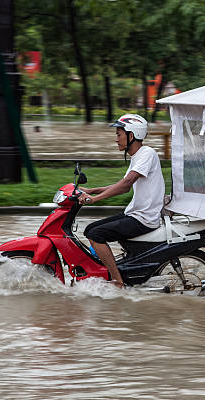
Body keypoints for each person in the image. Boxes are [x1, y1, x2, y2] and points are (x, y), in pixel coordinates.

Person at [78, 114, 165, 288]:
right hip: (135, 214)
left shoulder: (147, 154)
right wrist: (90, 190)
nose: (116, 139)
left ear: (131, 135)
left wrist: (94, 199)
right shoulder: (138, 157)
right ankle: (105, 269)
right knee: (90, 229)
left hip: (143, 219)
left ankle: (117, 281)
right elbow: (120, 184)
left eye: (119, 134)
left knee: (96, 235)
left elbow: (125, 185)